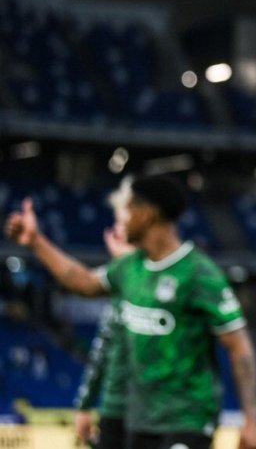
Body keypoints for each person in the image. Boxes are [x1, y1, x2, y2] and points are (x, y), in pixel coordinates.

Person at [5, 175, 256, 449]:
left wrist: (251, 420)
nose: (122, 220)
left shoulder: (199, 273)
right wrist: (36, 242)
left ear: (147, 214)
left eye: (128, 210)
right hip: (140, 420)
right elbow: (83, 282)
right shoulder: (130, 267)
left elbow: (239, 347)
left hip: (188, 419)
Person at [74, 179, 136, 449]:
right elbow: (103, 347)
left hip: (164, 416)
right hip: (118, 413)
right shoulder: (121, 280)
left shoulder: (176, 276)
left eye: (123, 223)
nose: (116, 232)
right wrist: (85, 404)